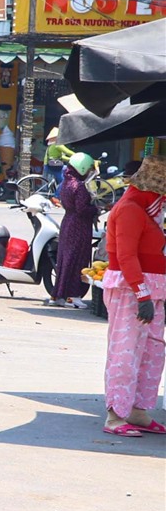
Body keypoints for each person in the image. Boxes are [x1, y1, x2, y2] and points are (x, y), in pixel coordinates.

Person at [100, 156, 166, 437]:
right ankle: (115, 415)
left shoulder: (147, 213)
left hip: (154, 292)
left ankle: (138, 411)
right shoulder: (129, 209)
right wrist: (142, 296)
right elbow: (126, 257)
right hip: (133, 292)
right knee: (125, 352)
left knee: (152, 353)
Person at [51, 152, 99, 308]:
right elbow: (82, 209)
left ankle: (59, 295)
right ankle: (73, 296)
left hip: (68, 223)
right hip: (79, 225)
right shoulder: (79, 186)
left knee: (66, 260)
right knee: (78, 259)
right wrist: (96, 209)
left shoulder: (66, 183)